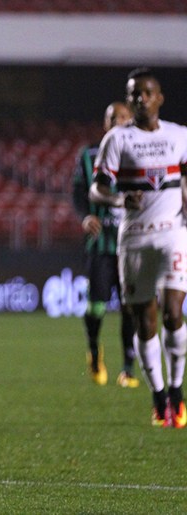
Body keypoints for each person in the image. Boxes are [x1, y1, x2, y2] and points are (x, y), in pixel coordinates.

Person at [90, 67, 187, 428]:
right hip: (134, 239)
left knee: (173, 311)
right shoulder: (117, 139)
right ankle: (159, 395)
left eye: (147, 93)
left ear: (159, 98)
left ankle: (177, 390)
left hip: (173, 233)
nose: (141, 99)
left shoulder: (180, 136)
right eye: (135, 94)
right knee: (144, 320)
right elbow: (97, 189)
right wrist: (118, 199)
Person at [72, 101, 139, 388]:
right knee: (97, 306)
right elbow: (77, 191)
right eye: (113, 118)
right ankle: (94, 348)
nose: (119, 122)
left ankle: (128, 366)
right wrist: (85, 215)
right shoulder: (89, 155)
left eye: (124, 117)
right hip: (100, 245)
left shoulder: (141, 154)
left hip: (131, 244)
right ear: (105, 124)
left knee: (130, 308)